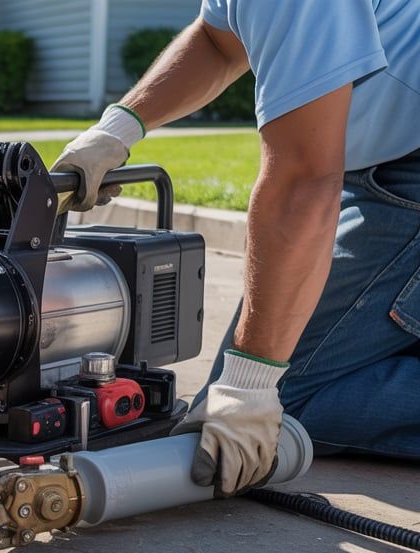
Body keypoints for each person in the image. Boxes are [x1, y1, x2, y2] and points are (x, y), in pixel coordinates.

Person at [52, 0, 420, 496]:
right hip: (385, 160)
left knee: (281, 397)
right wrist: (117, 129)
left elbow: (304, 180)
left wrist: (251, 381)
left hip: (404, 167)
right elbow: (218, 42)